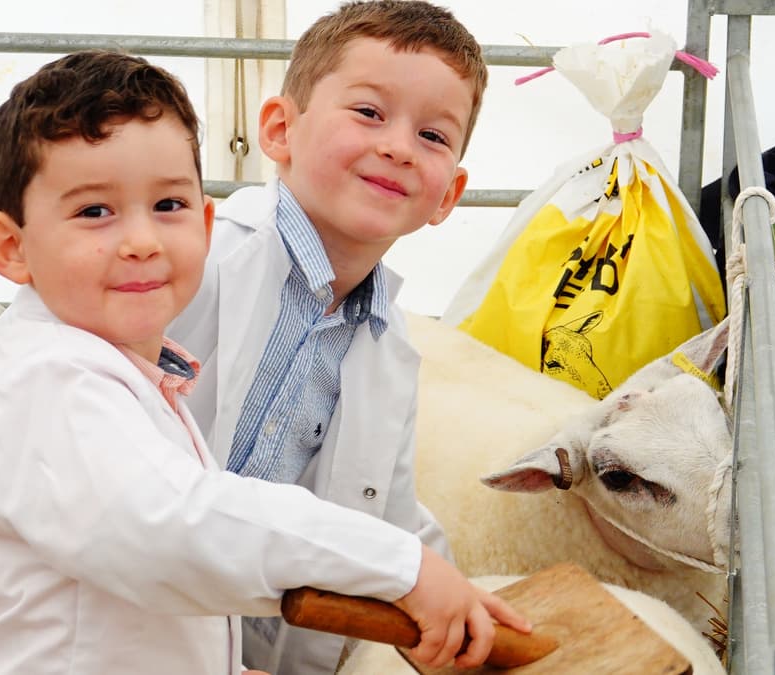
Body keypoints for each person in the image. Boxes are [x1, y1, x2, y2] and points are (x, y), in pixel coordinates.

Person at [0, 49, 526, 675]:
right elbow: (174, 522)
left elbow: (378, 509)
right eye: (94, 210)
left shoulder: (152, 360)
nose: (143, 241)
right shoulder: (49, 378)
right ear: (11, 247)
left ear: (201, 224)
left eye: (169, 206)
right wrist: (401, 566)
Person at [165, 1, 490, 672]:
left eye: (433, 135)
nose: (398, 146)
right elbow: (130, 487)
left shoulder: (387, 346)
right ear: (281, 129)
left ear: (447, 196)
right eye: (369, 112)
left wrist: (472, 608)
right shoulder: (183, 268)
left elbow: (389, 518)